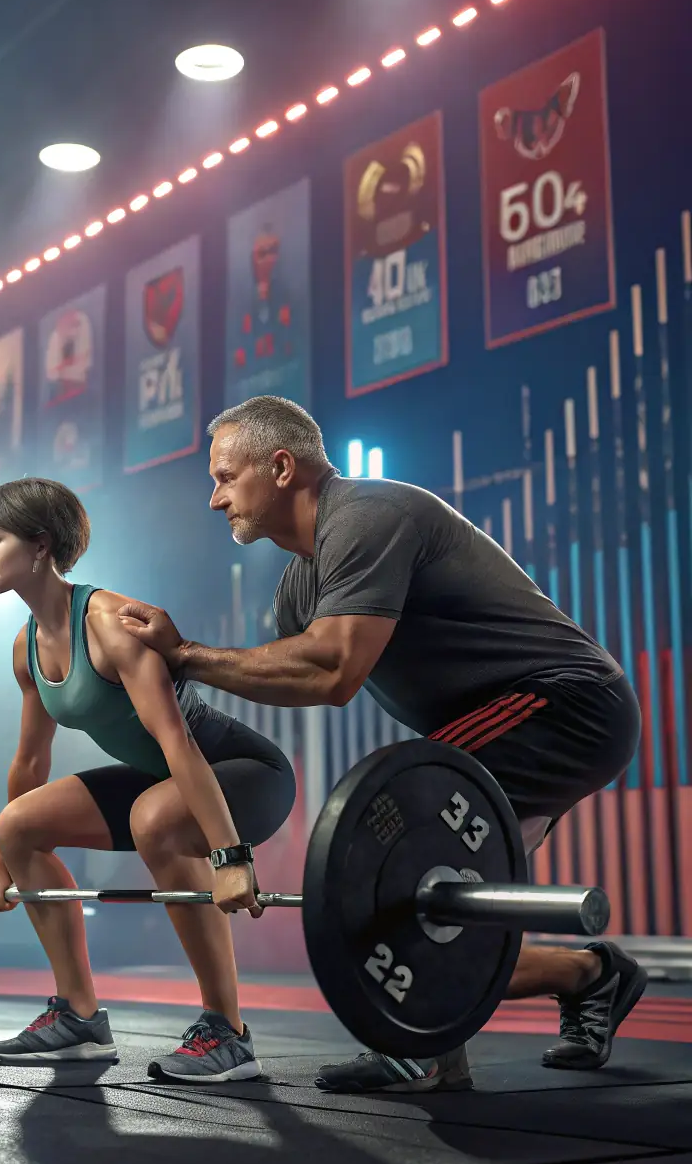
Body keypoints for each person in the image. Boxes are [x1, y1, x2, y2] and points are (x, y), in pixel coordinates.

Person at [118, 394, 646, 1094]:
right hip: (509, 725)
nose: (215, 499)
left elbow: (334, 670)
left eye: (224, 476)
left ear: (280, 467)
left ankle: (421, 1042)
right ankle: (587, 977)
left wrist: (184, 654)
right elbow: (302, 677)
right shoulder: (298, 590)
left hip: (565, 702)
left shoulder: (367, 516)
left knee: (376, 865)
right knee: (429, 910)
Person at [0, 477, 296, 1083]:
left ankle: (228, 1031)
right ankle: (79, 1016)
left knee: (155, 820)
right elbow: (30, 765)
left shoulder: (110, 622)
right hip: (161, 780)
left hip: (244, 774)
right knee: (18, 825)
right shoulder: (26, 648)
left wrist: (230, 856)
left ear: (39, 546)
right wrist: (2, 863)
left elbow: (178, 742)